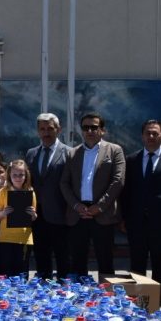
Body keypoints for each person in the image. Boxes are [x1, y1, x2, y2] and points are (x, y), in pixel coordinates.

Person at [120, 119, 161, 307]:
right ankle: (138, 304)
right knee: (137, 266)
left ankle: (158, 305)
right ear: (142, 136)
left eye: (155, 133)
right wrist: (124, 217)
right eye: (148, 133)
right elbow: (126, 192)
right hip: (136, 223)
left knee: (160, 266)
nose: (151, 136)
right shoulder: (132, 159)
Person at [60, 113, 125, 280]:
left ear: (102, 130)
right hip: (78, 214)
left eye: (94, 127)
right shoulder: (72, 153)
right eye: (85, 127)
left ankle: (107, 301)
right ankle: (80, 300)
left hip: (103, 214)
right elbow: (64, 183)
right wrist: (76, 205)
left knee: (105, 262)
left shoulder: (114, 151)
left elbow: (118, 181)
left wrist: (100, 206)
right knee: (77, 261)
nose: (89, 131)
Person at [25, 113, 73, 279]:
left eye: (50, 128)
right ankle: (43, 290)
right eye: (42, 129)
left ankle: (64, 291)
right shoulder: (31, 153)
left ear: (58, 130)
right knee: (41, 255)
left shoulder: (69, 153)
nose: (46, 132)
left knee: (63, 257)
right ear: (38, 131)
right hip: (37, 214)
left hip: (61, 213)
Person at [0, 160, 37, 278]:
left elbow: (34, 217)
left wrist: (33, 214)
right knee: (6, 273)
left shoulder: (30, 191)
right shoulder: (3, 192)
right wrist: (4, 213)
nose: (18, 178)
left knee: (22, 274)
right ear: (9, 175)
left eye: (21, 175)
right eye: (15, 175)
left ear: (26, 175)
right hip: (6, 238)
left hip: (24, 239)